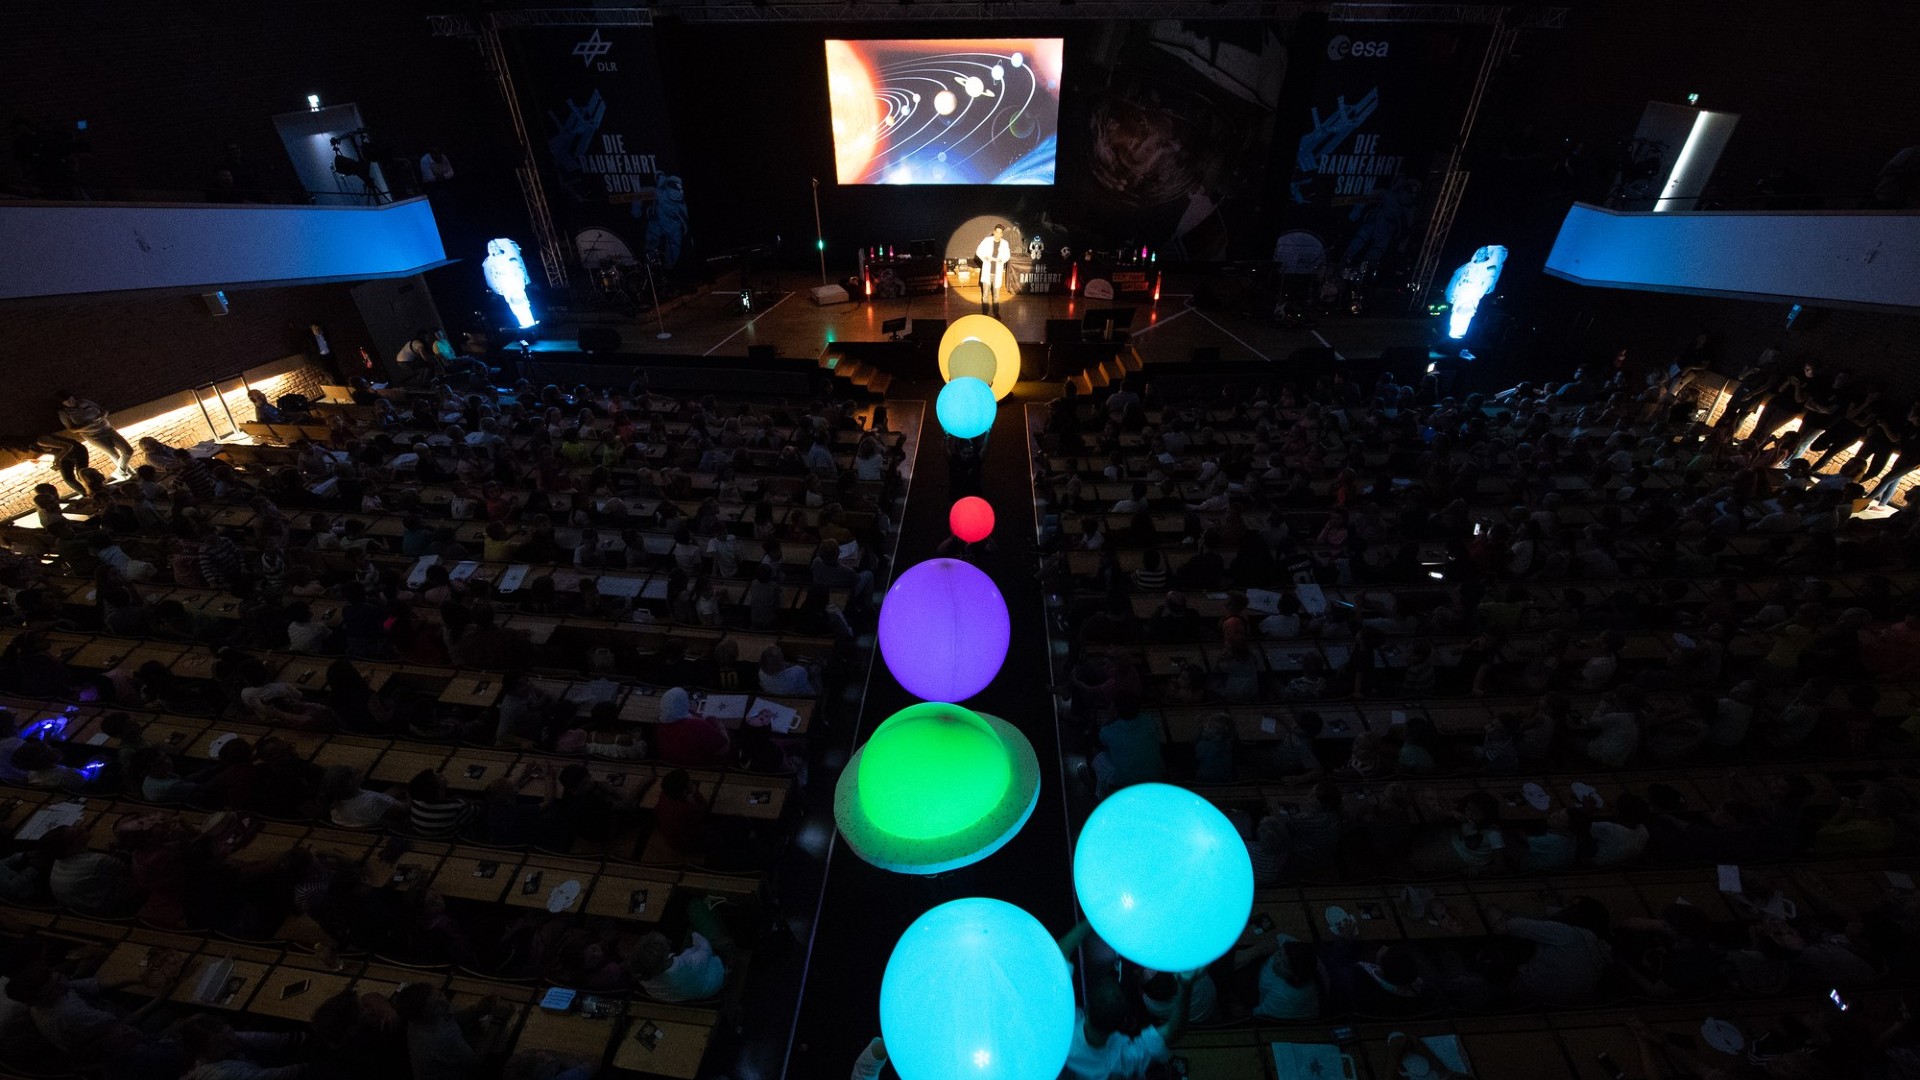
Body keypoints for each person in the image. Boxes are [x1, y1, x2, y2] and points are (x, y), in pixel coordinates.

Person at [1058, 921, 1191, 1079]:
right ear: (1123, 1023)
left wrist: (1092, 920)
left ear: (1086, 1010)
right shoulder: (1125, 1060)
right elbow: (1172, 1032)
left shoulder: (1059, 1030)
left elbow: (1059, 954)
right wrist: (1187, 987)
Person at [54, 390, 134, 478]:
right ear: (63, 404)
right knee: (114, 454)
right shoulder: (64, 413)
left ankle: (120, 472)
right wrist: (89, 424)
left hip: (108, 429)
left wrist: (100, 417)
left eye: (72, 399)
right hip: (93, 436)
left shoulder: (84, 402)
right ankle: (131, 474)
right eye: (68, 402)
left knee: (128, 451)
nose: (72, 402)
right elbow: (72, 429)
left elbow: (104, 411)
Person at [975, 224, 1012, 311]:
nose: (998, 234)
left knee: (996, 295)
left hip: (997, 273)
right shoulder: (986, 240)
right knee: (985, 295)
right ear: (994, 232)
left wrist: (1001, 260)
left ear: (1002, 234)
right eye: (997, 232)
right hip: (987, 272)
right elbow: (978, 251)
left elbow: (1007, 255)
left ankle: (996, 312)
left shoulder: (1005, 243)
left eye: (1000, 233)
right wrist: (985, 258)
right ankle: (985, 313)